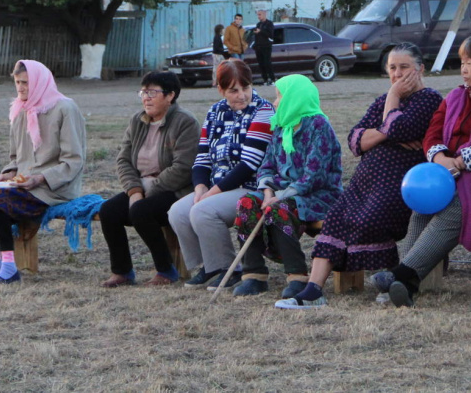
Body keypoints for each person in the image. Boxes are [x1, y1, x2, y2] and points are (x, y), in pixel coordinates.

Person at [274, 44, 442, 308]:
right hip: (365, 182)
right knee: (336, 217)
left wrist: (391, 107)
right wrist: (387, 126)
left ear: (420, 69)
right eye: (392, 68)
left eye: (404, 67)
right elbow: (355, 140)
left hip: (401, 184)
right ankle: (313, 291)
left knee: (370, 218)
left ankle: (390, 280)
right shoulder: (382, 101)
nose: (397, 74)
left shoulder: (429, 100)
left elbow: (397, 128)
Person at [379, 33, 471, 307]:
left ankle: (403, 276)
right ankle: (405, 281)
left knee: (458, 204)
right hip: (446, 170)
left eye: (469, 62)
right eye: (462, 62)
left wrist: (461, 161)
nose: (463, 68)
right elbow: (434, 130)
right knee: (422, 202)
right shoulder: (456, 94)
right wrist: (440, 156)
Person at [0, 60, 86, 286]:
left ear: (40, 83)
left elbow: (74, 160)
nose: (20, 88)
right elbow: (16, 158)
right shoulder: (21, 109)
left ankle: (9, 268)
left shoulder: (65, 108)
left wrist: (40, 178)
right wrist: (8, 174)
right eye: (17, 82)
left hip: (54, 188)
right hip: (25, 185)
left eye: (26, 83)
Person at [167, 60, 275, 291]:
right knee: (177, 212)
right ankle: (209, 266)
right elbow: (202, 156)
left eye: (245, 88)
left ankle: (230, 270)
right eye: (233, 90)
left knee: (203, 211)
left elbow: (249, 164)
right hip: (218, 185)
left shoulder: (263, 110)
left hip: (251, 186)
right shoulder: (216, 111)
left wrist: (211, 193)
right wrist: (199, 188)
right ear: (221, 90)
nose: (242, 95)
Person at [232, 74, 343, 299]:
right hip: (283, 192)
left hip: (319, 196)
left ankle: (297, 276)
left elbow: (314, 176)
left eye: (280, 96)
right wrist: (268, 191)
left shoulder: (319, 125)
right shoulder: (282, 126)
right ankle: (254, 274)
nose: (275, 101)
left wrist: (280, 196)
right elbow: (267, 165)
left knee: (279, 209)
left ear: (295, 97)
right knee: (246, 203)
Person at [98, 71, 200, 287]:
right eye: (143, 92)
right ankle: (122, 271)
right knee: (108, 211)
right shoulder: (138, 121)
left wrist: (145, 195)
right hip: (141, 187)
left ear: (170, 96)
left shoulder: (185, 122)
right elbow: (123, 160)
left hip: (175, 191)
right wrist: (134, 191)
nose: (146, 97)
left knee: (141, 211)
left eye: (152, 92)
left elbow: (183, 168)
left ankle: (166, 270)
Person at [253, 9, 276, 86]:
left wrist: (261, 31)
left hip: (266, 47)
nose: (258, 16)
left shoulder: (269, 24)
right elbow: (256, 35)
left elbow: (270, 34)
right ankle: (265, 80)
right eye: (258, 15)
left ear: (264, 14)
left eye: (260, 14)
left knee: (267, 63)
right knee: (261, 64)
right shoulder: (258, 24)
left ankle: (272, 79)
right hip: (259, 47)